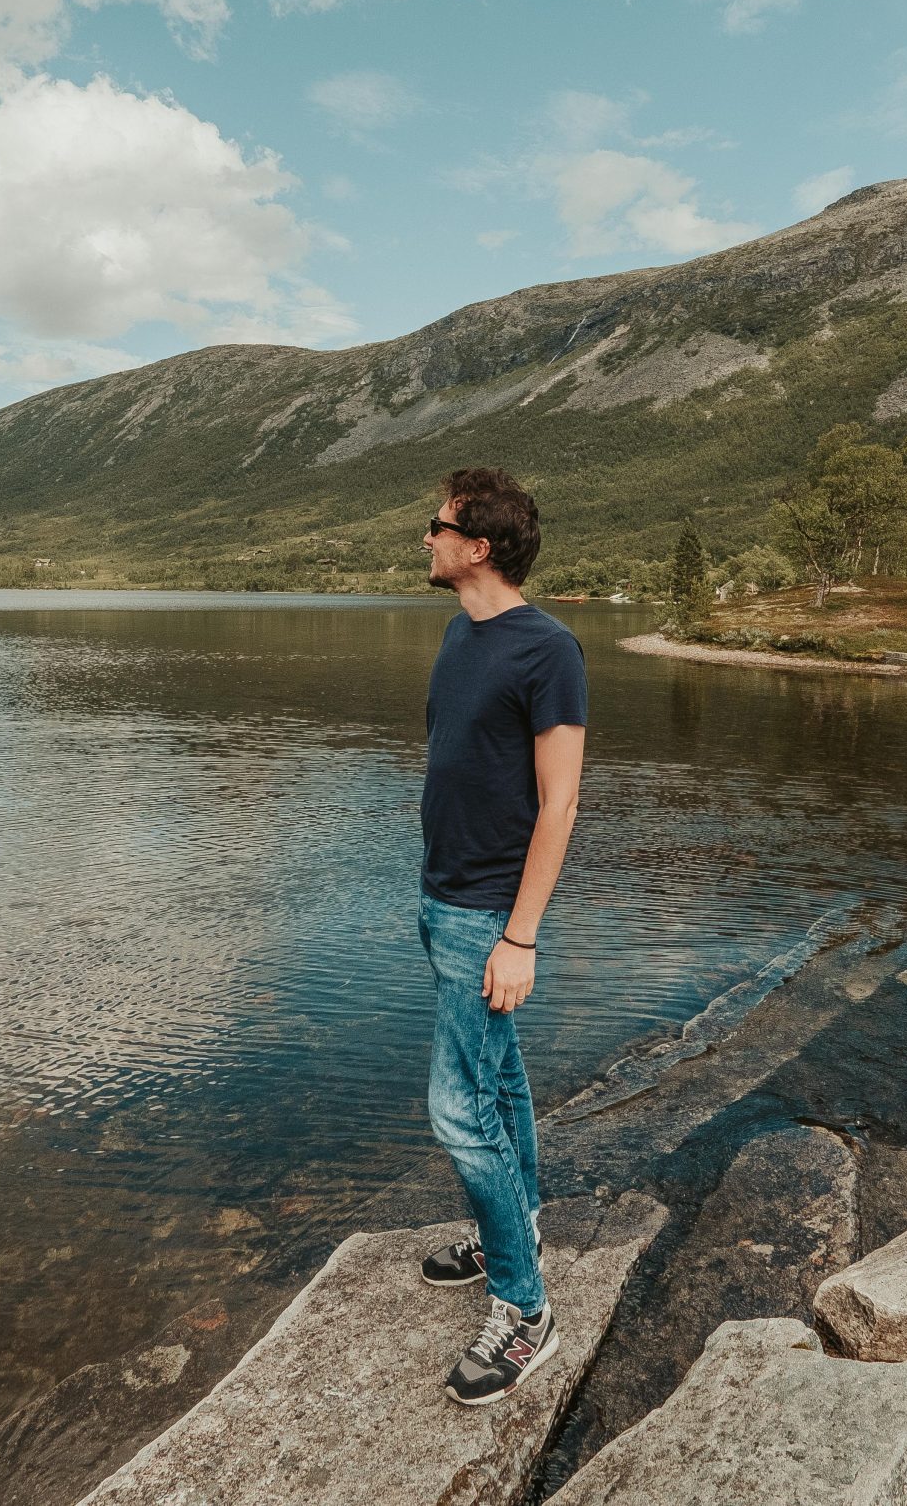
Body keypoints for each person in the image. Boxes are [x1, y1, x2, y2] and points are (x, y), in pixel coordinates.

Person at [412, 466, 586, 1407]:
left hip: (489, 916)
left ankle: (526, 1307)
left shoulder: (547, 649)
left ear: (477, 546)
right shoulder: (458, 632)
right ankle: (509, 1229)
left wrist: (518, 937)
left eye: (434, 524)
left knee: (458, 1105)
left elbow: (559, 804)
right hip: (443, 899)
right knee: (501, 1075)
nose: (424, 539)